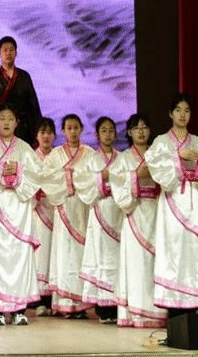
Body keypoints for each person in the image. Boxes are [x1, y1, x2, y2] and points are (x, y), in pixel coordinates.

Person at [145, 93, 198, 315]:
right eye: (178, 110)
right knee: (173, 249)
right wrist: (178, 155)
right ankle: (173, 305)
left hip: (195, 200)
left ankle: (193, 301)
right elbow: (154, 163)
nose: (182, 115)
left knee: (194, 248)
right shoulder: (161, 142)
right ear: (170, 113)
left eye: (187, 110)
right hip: (172, 200)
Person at [0, 104, 42, 326]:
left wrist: (19, 173)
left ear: (17, 122)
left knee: (19, 258)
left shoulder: (25, 149)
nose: (6, 122)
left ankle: (19, 309)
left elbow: (37, 175)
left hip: (19, 209)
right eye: (2, 118)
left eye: (10, 118)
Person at [109, 113, 166, 328]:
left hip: (158, 211)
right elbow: (116, 183)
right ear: (130, 132)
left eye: (144, 127)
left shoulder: (158, 154)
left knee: (157, 263)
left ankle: (159, 311)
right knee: (136, 263)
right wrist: (136, 176)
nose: (141, 132)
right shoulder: (123, 158)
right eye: (136, 128)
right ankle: (136, 311)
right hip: (135, 211)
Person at [42, 114, 95, 317]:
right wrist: (69, 176)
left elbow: (94, 177)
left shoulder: (90, 153)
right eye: (69, 128)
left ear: (81, 129)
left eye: (76, 127)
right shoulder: (55, 155)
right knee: (64, 254)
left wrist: (75, 177)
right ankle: (64, 302)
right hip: (63, 206)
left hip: (82, 207)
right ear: (63, 131)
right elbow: (47, 178)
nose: (73, 132)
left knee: (81, 254)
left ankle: (81, 303)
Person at [76, 116, 123, 323]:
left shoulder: (122, 158)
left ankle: (117, 303)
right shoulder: (90, 159)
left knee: (117, 258)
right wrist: (101, 178)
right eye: (104, 130)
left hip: (119, 211)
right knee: (100, 257)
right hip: (100, 211)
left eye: (111, 130)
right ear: (96, 134)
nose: (108, 134)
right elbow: (81, 183)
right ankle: (103, 307)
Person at [0, 36, 42, 141]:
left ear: (16, 53)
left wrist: (38, 131)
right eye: (5, 50)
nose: (8, 53)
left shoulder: (24, 76)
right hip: (0, 130)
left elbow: (34, 106)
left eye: (11, 50)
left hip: (22, 129)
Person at [31, 117, 56, 317]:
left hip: (55, 209)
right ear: (37, 136)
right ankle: (39, 299)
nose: (46, 136)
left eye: (49, 132)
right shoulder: (31, 157)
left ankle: (54, 299)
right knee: (40, 253)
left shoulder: (58, 156)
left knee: (53, 253)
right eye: (42, 132)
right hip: (37, 210)